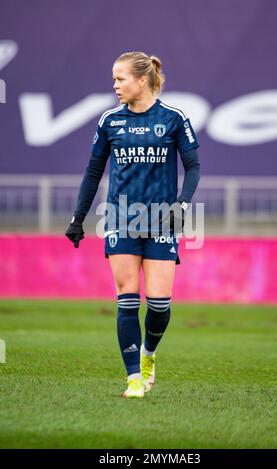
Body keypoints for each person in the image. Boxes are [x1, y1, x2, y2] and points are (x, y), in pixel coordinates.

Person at [65, 51, 200, 398]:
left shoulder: (173, 118)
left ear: (142, 80)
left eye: (120, 78)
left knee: (158, 304)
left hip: (160, 222)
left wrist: (182, 204)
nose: (115, 86)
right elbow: (93, 171)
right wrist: (78, 218)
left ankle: (149, 354)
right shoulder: (110, 121)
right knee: (127, 300)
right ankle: (133, 379)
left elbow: (193, 166)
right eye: (114, 78)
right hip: (120, 220)